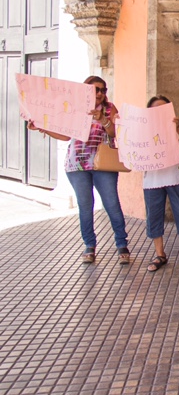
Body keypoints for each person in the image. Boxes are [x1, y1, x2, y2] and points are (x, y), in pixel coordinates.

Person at [27, 76, 129, 264]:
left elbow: (116, 133)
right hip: (77, 164)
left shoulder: (109, 108)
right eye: (95, 89)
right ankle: (89, 246)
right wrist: (42, 127)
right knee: (85, 205)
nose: (99, 93)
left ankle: (122, 244)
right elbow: (66, 136)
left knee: (112, 204)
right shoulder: (72, 108)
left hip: (103, 164)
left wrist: (103, 120)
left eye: (102, 90)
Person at [143, 96, 179, 275]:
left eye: (164, 108)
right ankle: (160, 254)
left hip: (177, 176)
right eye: (155, 109)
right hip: (152, 180)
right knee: (154, 216)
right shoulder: (142, 129)